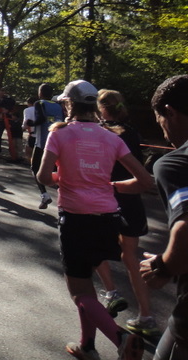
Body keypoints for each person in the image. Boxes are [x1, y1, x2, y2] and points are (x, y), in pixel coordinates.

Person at [36, 79, 152, 360]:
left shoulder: (59, 134)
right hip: (108, 219)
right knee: (87, 286)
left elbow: (42, 176)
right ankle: (87, 345)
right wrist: (112, 187)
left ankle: (121, 338)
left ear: (68, 104)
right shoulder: (112, 137)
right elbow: (145, 181)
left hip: (76, 219)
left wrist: (62, 179)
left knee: (80, 292)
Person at [92, 89, 157, 336]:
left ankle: (111, 292)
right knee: (130, 257)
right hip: (131, 201)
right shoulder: (131, 132)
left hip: (106, 198)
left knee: (94, 247)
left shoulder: (102, 133)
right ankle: (147, 316)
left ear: (101, 108)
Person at [141, 75, 188, 359]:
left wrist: (162, 267)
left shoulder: (175, 163)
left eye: (160, 120)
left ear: (169, 112)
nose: (164, 131)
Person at [27, 83, 64, 209]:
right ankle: (64, 197)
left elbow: (41, 119)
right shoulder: (58, 106)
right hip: (58, 141)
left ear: (40, 93)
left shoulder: (39, 103)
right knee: (57, 170)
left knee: (35, 168)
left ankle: (44, 195)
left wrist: (31, 122)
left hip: (43, 141)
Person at [0, 88, 15, 157]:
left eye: (3, 91)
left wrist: (7, 110)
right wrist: (1, 110)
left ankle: (12, 152)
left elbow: (12, 105)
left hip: (8, 119)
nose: (2, 93)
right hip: (0, 120)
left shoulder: (8, 100)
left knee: (11, 136)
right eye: (0, 91)